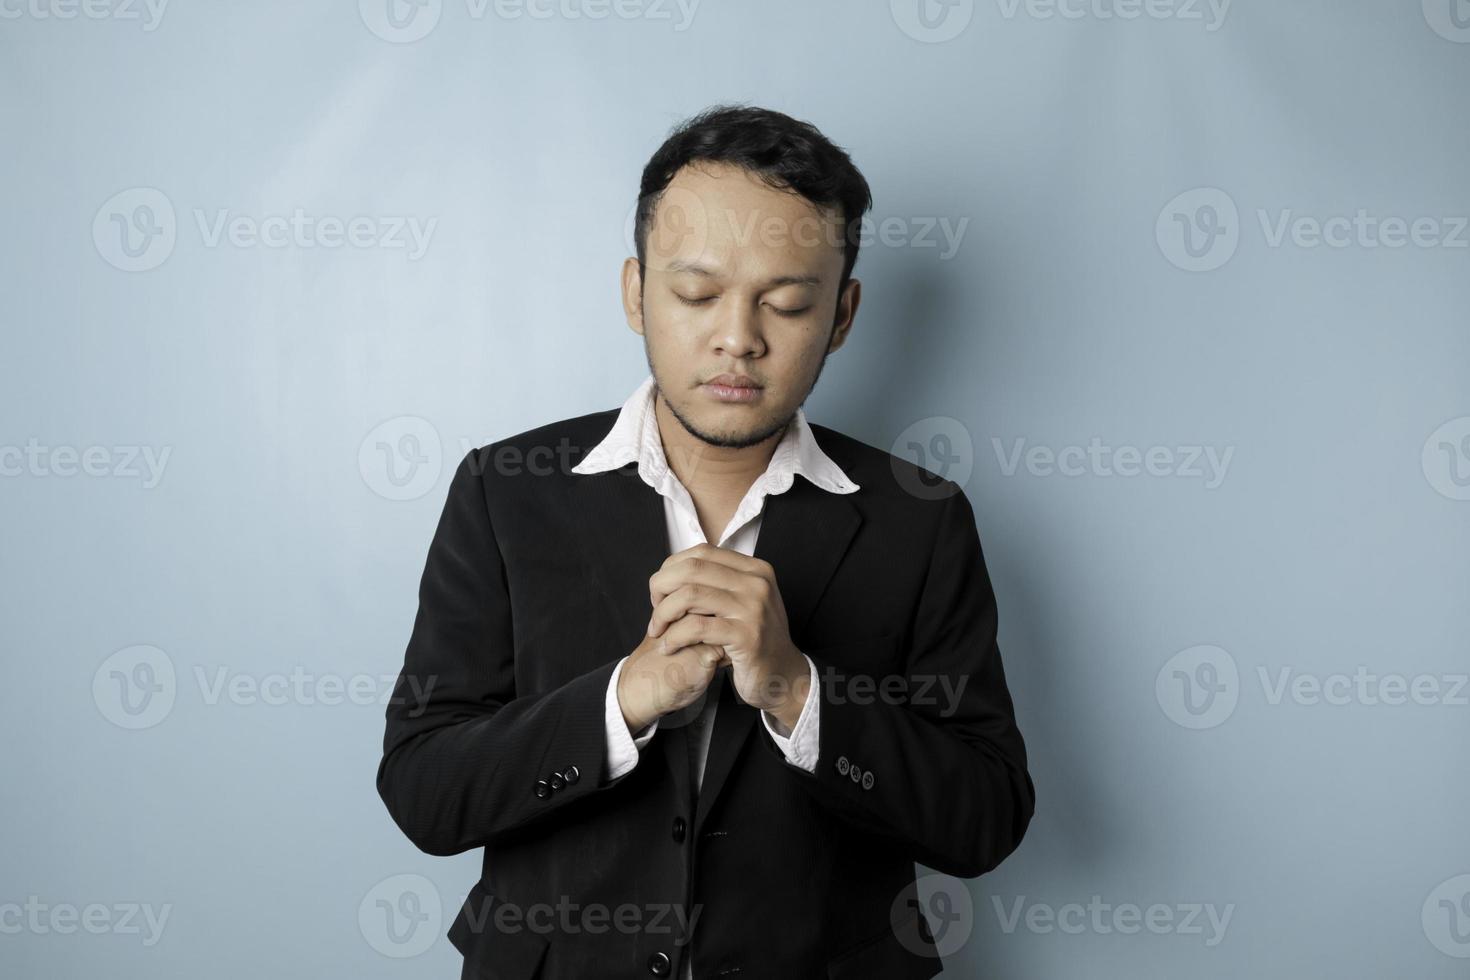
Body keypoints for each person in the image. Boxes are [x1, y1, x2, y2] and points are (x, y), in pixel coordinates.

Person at [377, 103, 1035, 980]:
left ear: (841, 316)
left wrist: (799, 691)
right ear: (633, 293)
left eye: (788, 303)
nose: (738, 339)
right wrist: (621, 701)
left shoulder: (921, 517)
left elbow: (984, 819)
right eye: (695, 294)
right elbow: (427, 792)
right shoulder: (506, 491)